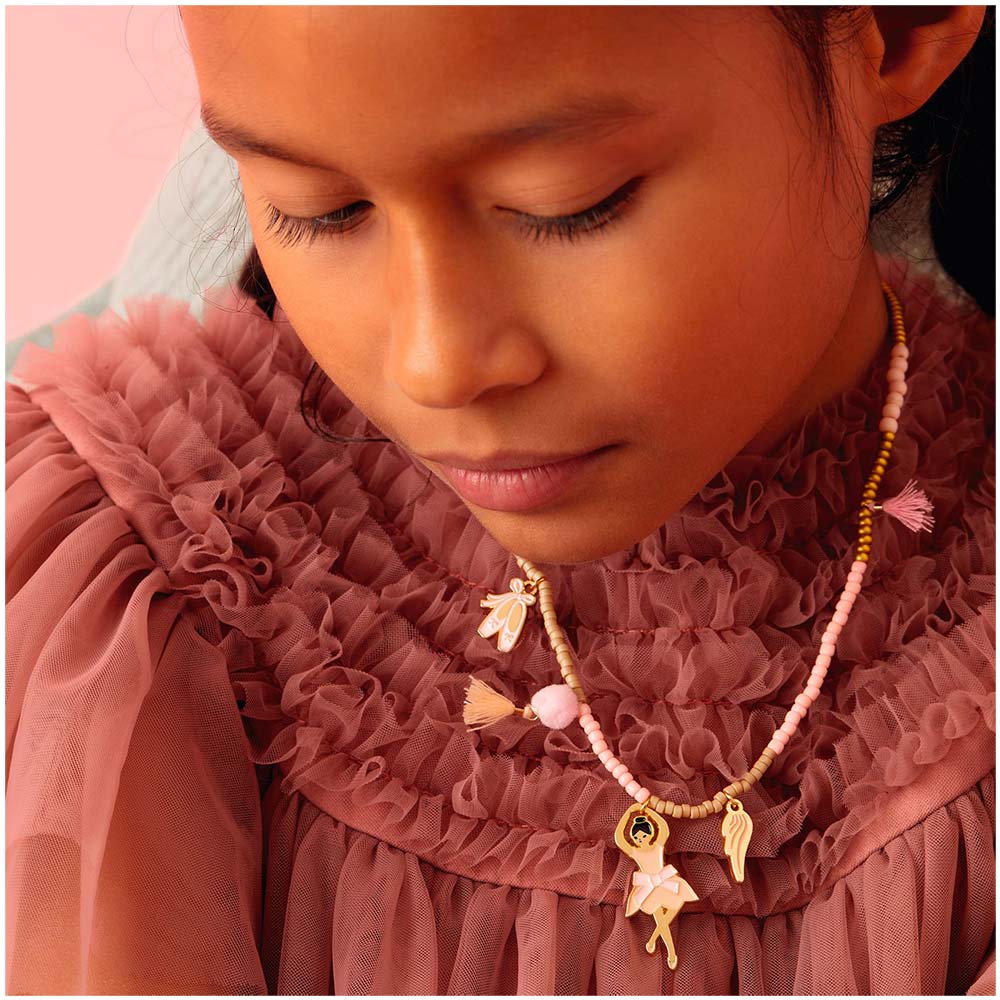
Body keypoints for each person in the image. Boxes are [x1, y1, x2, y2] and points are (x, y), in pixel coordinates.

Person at [6, 6, 994, 995]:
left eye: (564, 203)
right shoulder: (143, 570)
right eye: (320, 210)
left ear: (902, 27)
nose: (435, 365)